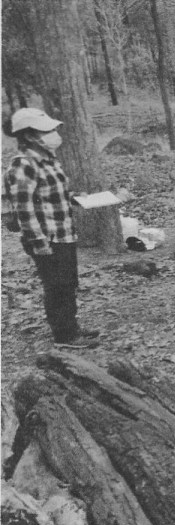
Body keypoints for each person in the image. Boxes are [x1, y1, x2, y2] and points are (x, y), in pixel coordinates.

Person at [2, 108, 100, 349]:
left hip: (64, 233)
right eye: (47, 131)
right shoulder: (24, 165)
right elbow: (24, 209)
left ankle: (71, 326)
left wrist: (76, 197)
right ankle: (64, 336)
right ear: (30, 136)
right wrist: (39, 243)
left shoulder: (49, 160)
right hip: (46, 238)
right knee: (57, 286)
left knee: (68, 283)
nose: (54, 135)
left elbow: (52, 194)